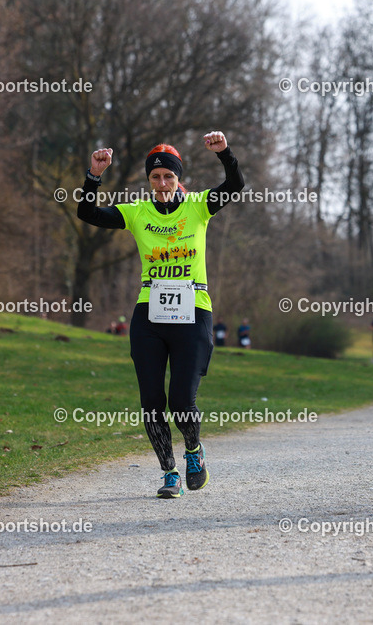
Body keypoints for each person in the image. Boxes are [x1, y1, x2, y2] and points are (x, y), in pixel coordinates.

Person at [77, 131, 244, 498]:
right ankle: (170, 472)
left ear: (178, 178)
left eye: (169, 176)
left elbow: (235, 184)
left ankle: (194, 451)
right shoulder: (138, 212)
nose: (163, 183)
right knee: (152, 400)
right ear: (148, 181)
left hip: (193, 311)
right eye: (155, 177)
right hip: (149, 315)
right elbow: (87, 212)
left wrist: (225, 153)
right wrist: (94, 176)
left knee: (182, 400)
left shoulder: (199, 206)